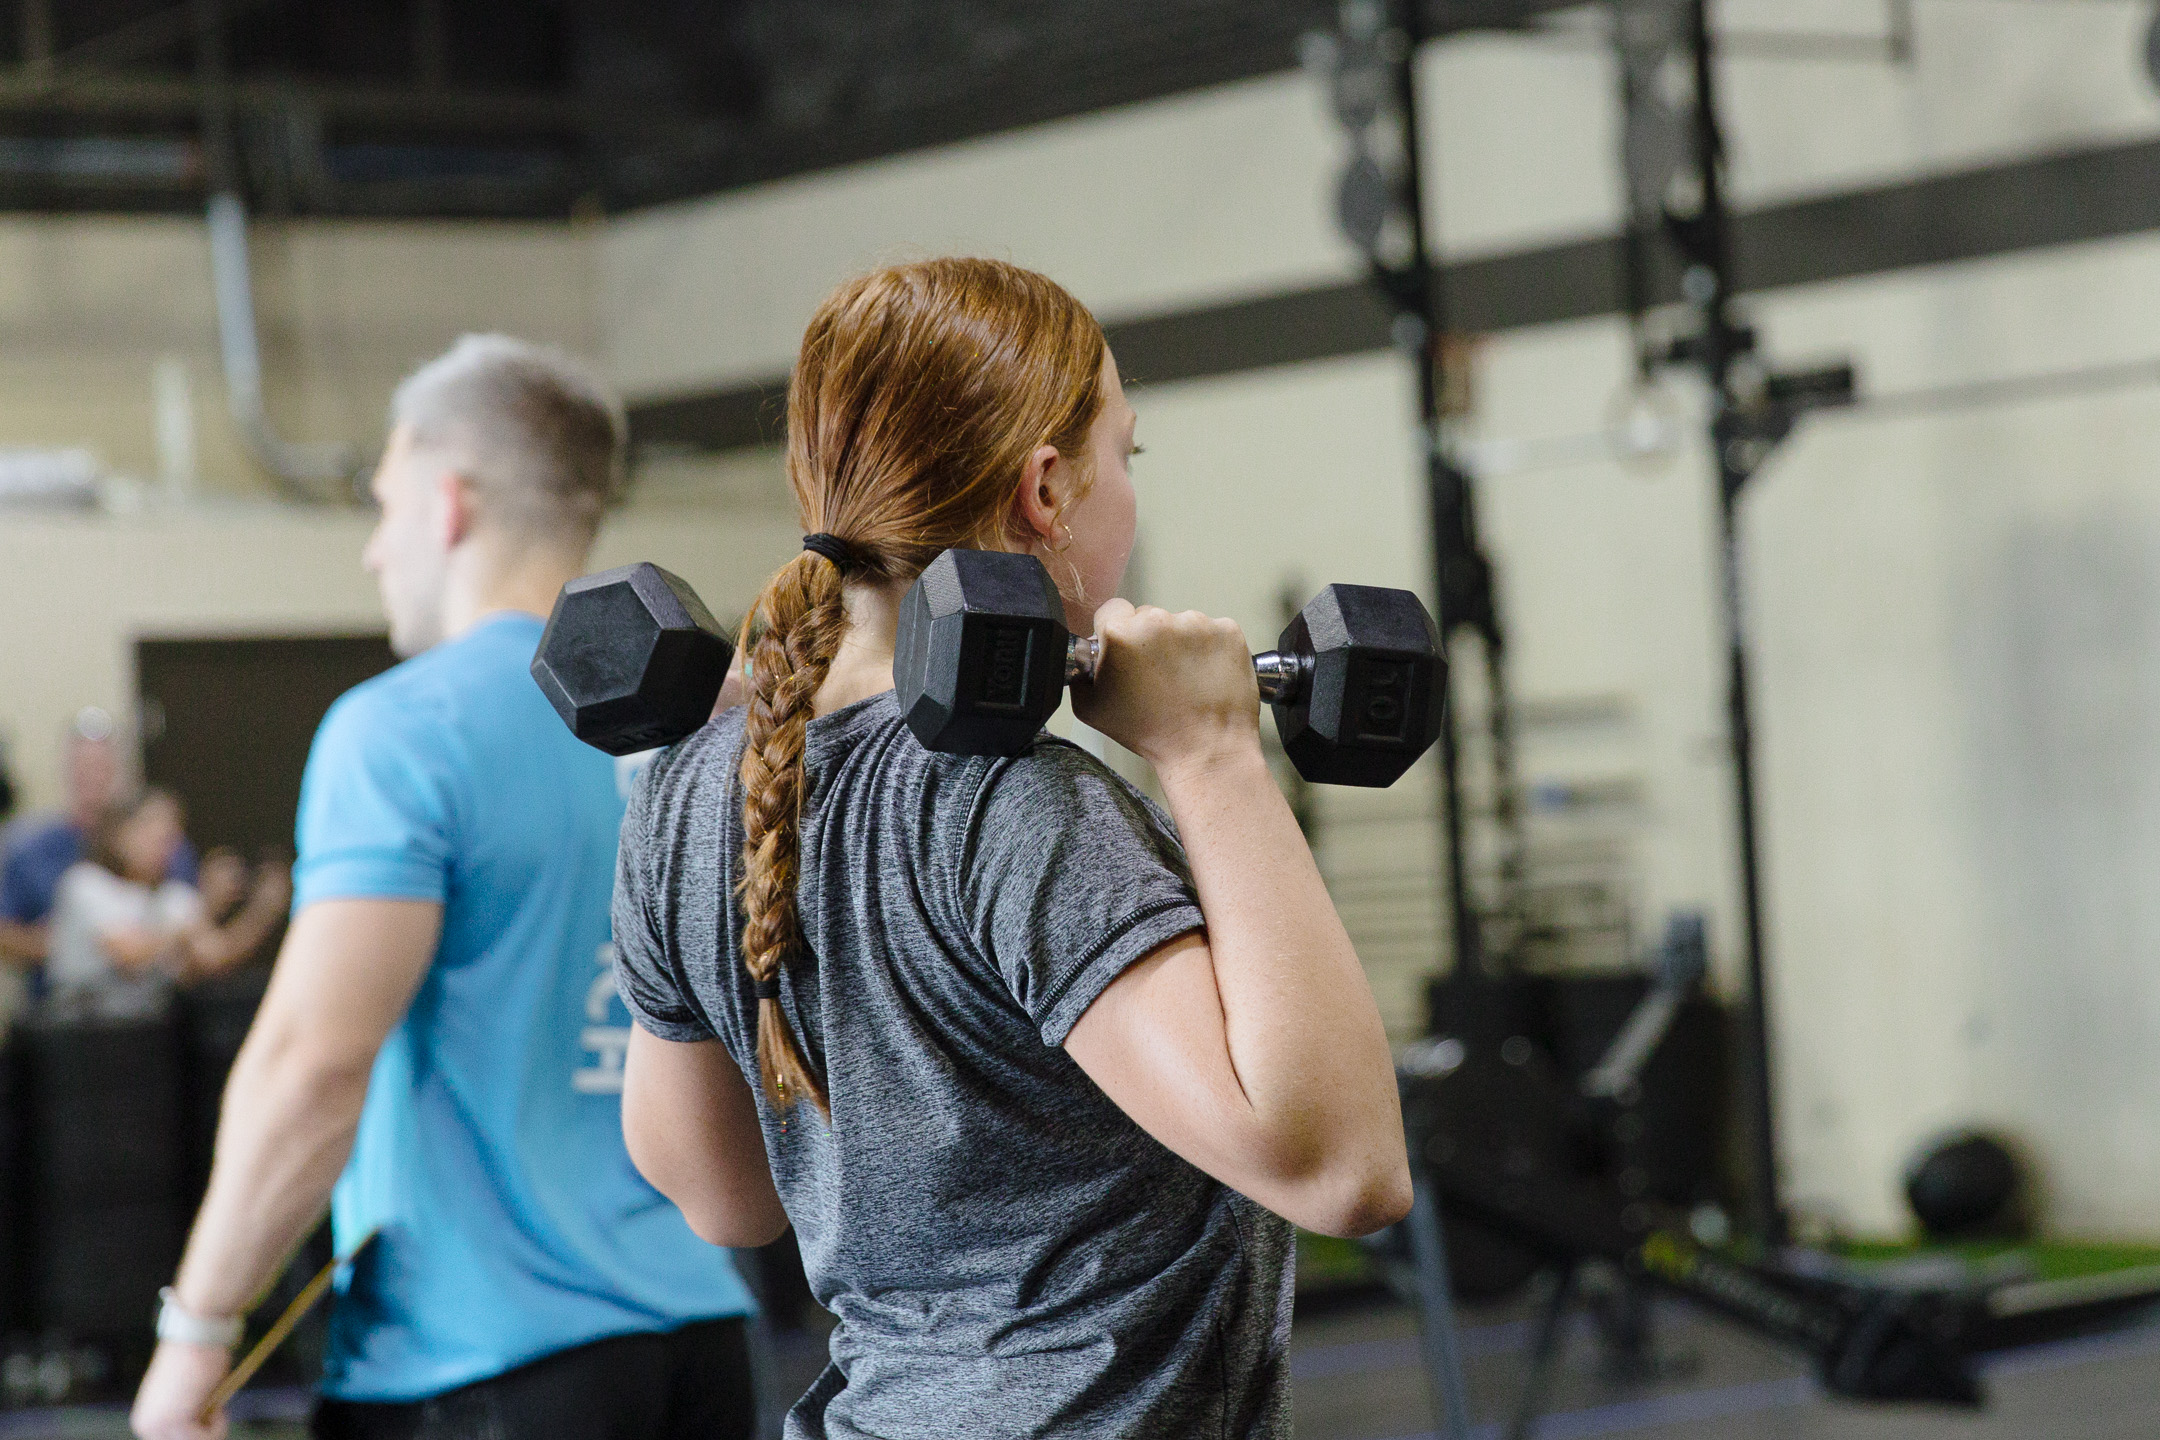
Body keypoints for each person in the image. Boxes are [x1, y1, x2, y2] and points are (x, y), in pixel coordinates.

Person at [610, 259, 1412, 1439]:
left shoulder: (687, 791)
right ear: (1045, 489)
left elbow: (722, 1197)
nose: (1127, 496)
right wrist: (1212, 756)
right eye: (1123, 457)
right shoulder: (1012, 806)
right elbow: (1344, 1170)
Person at [131, 335, 758, 1440]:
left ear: (447, 501)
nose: (374, 551)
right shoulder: (700, 734)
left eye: (382, 504)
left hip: (478, 1363)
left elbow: (313, 1065)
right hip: (700, 1337)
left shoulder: (404, 729)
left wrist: (197, 1336)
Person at [44, 789, 287, 1021]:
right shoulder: (86, 883)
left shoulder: (174, 895)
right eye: (148, 829)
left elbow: (215, 957)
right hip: (80, 1030)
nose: (160, 841)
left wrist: (263, 909)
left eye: (169, 834)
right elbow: (129, 954)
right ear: (119, 834)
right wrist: (205, 906)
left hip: (147, 1028)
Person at [0, 709, 197, 976]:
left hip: (153, 998)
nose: (92, 778)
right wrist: (69, 941)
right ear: (66, 770)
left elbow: (191, 924)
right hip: (64, 1004)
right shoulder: (32, 850)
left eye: (101, 767)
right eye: (82, 767)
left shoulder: (164, 846)